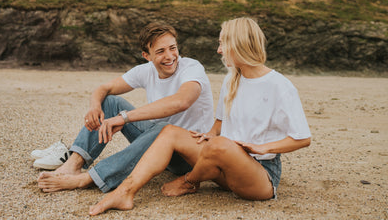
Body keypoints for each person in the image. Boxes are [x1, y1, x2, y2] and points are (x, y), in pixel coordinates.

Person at [89, 17, 312, 216]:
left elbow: (303, 138)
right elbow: (219, 125)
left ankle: (189, 181)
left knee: (221, 145)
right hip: (223, 164)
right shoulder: (232, 79)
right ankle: (125, 192)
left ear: (240, 44)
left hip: (259, 176)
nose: (219, 50)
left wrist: (265, 148)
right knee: (170, 132)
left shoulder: (279, 85)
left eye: (223, 44)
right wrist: (208, 135)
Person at [37, 22, 214, 193]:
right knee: (110, 101)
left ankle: (89, 179)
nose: (170, 56)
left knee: (164, 129)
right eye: (160, 51)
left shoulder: (191, 67)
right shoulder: (145, 71)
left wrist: (125, 118)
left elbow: (181, 101)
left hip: (189, 156)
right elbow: (103, 88)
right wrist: (94, 107)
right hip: (158, 147)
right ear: (147, 56)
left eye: (173, 48)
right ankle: (73, 165)